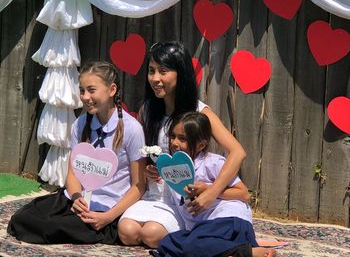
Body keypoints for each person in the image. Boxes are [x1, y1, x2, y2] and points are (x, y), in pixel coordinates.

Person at [118, 41, 247, 248]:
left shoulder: (199, 112)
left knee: (152, 235)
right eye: (151, 71)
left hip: (182, 200)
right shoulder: (147, 110)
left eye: (163, 71)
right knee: (127, 233)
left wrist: (212, 192)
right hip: (153, 195)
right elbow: (145, 157)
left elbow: (237, 152)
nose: (155, 78)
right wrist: (150, 172)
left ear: (181, 73)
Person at [7, 61, 147, 244]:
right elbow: (72, 174)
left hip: (107, 207)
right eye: (82, 91)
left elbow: (139, 186)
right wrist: (76, 197)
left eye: (91, 90)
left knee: (51, 227)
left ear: (112, 90)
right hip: (78, 200)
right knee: (23, 217)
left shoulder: (132, 129)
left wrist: (108, 217)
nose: (85, 97)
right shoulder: (80, 124)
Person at [152, 112, 276, 257]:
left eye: (182, 139)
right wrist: (155, 174)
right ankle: (234, 253)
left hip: (229, 220)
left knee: (185, 245)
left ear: (201, 145)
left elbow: (244, 194)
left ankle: (249, 253)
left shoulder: (213, 163)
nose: (174, 143)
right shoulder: (172, 170)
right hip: (207, 232)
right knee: (169, 242)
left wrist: (209, 189)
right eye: (172, 136)